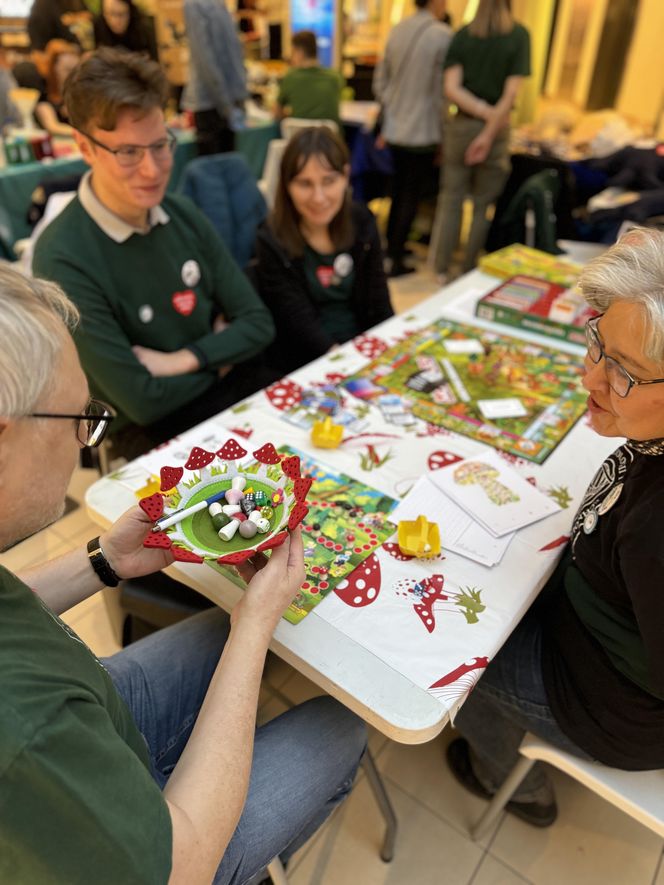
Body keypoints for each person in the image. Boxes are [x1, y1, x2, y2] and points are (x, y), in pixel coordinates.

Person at [0, 263, 367, 882]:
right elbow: (180, 865)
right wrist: (256, 620)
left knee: (218, 634)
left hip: (92, 706)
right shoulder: (26, 731)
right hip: (161, 849)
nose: (85, 444)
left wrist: (106, 560)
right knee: (342, 726)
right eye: (76, 420)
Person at [447, 227, 664, 827]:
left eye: (623, 371)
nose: (590, 379)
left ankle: (517, 786)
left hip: (602, 705)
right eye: (597, 342)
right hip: (592, 624)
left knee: (451, 653)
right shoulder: (648, 442)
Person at [33, 48, 275, 461]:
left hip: (237, 400)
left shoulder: (180, 212)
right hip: (154, 435)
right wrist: (221, 358)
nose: (153, 169)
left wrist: (182, 359)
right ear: (84, 147)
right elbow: (143, 400)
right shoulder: (62, 256)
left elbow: (258, 323)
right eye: (128, 152)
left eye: (161, 144)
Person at [252, 126, 393, 375]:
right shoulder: (271, 238)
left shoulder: (362, 221)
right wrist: (345, 365)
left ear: (346, 175)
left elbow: (379, 301)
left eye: (329, 181)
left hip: (362, 352)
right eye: (305, 183)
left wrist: (389, 353)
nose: (319, 198)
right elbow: (296, 320)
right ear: (286, 185)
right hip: (305, 364)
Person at [429, 0, 530, 279]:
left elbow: (452, 88)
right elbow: (509, 96)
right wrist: (489, 128)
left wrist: (479, 113)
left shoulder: (463, 35)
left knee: (451, 200)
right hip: (497, 129)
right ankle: (468, 270)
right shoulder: (519, 36)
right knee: (482, 205)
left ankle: (440, 268)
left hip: (461, 126)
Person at [372, 0, 451, 277]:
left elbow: (380, 81)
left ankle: (391, 247)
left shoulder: (397, 30)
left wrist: (391, 108)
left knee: (398, 190)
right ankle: (394, 256)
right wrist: (444, 130)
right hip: (423, 130)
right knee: (411, 194)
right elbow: (443, 93)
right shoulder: (442, 34)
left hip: (395, 128)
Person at [182, 0, 248, 155]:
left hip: (227, 102)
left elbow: (233, 53)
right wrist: (225, 103)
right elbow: (205, 59)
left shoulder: (220, 5)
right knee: (212, 170)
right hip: (210, 104)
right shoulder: (194, 5)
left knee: (229, 165)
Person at [276, 30, 344, 129]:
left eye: (293, 51)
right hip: (329, 141)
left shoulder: (291, 77)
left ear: (299, 52)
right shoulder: (335, 77)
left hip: (300, 140)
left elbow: (277, 112)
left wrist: (289, 118)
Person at [33, 39, 81, 137]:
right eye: (68, 70)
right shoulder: (44, 97)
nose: (74, 76)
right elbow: (53, 127)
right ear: (54, 70)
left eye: (76, 70)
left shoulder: (80, 95)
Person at [93, 0, 158, 60]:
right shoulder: (99, 24)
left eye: (121, 14)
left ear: (129, 12)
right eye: (110, 14)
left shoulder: (144, 27)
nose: (116, 21)